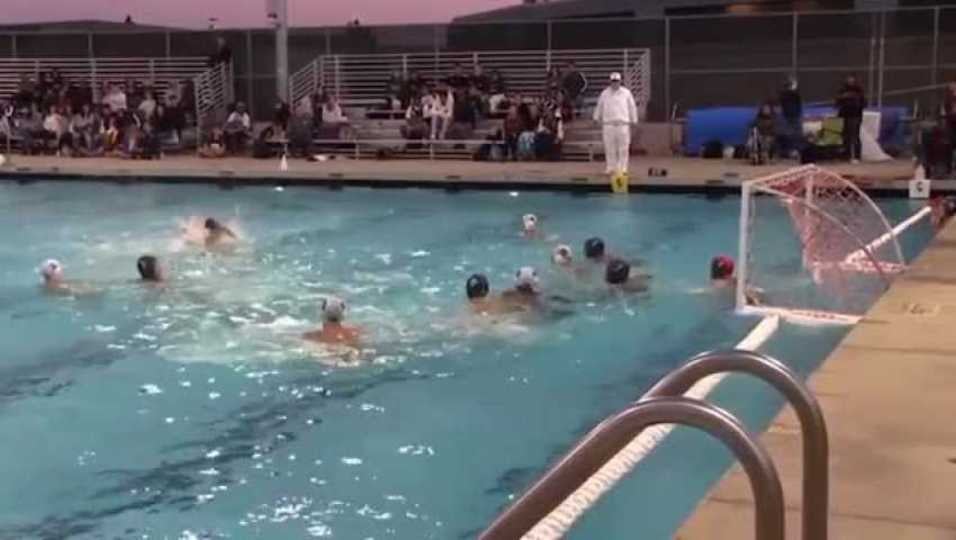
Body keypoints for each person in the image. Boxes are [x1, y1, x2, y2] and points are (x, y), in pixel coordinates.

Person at [593, 72, 638, 176]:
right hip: (608, 124)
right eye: (613, 81)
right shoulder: (604, 93)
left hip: (623, 124)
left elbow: (632, 107)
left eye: (617, 81)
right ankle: (610, 167)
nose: (615, 83)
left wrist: (634, 119)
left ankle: (623, 168)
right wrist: (596, 117)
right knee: (609, 147)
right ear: (610, 81)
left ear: (620, 81)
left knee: (623, 147)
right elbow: (599, 106)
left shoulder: (626, 93)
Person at [836, 75, 866, 164]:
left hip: (855, 116)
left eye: (852, 79)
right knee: (845, 137)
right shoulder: (842, 90)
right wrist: (842, 98)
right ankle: (846, 155)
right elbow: (837, 102)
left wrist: (854, 100)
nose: (850, 81)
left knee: (855, 136)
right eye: (848, 79)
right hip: (844, 116)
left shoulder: (859, 91)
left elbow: (863, 103)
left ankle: (857, 156)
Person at [778, 75, 803, 158]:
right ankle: (788, 152)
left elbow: (798, 102)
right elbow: (783, 100)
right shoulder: (784, 93)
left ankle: (797, 151)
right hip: (787, 115)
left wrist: (799, 113)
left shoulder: (796, 93)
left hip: (796, 115)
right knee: (788, 134)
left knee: (797, 134)